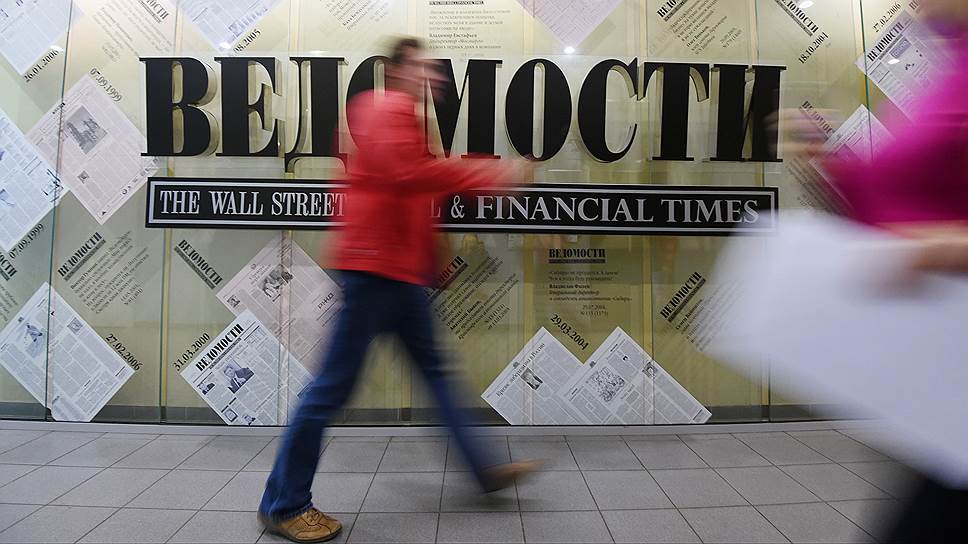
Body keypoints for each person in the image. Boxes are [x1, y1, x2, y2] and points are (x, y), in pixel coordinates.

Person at [258, 37, 538, 543]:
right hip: (373, 270)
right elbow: (409, 174)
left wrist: (431, 258)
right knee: (331, 389)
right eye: (424, 68)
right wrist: (496, 173)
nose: (434, 76)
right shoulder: (382, 108)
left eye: (434, 69)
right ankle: (283, 504)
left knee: (436, 374)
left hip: (398, 272)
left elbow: (412, 188)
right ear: (397, 70)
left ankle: (483, 470)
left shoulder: (404, 116)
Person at [785, 1, 968, 540]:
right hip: (944, 372)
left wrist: (949, 249)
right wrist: (828, 165)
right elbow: (908, 199)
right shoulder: (953, 68)